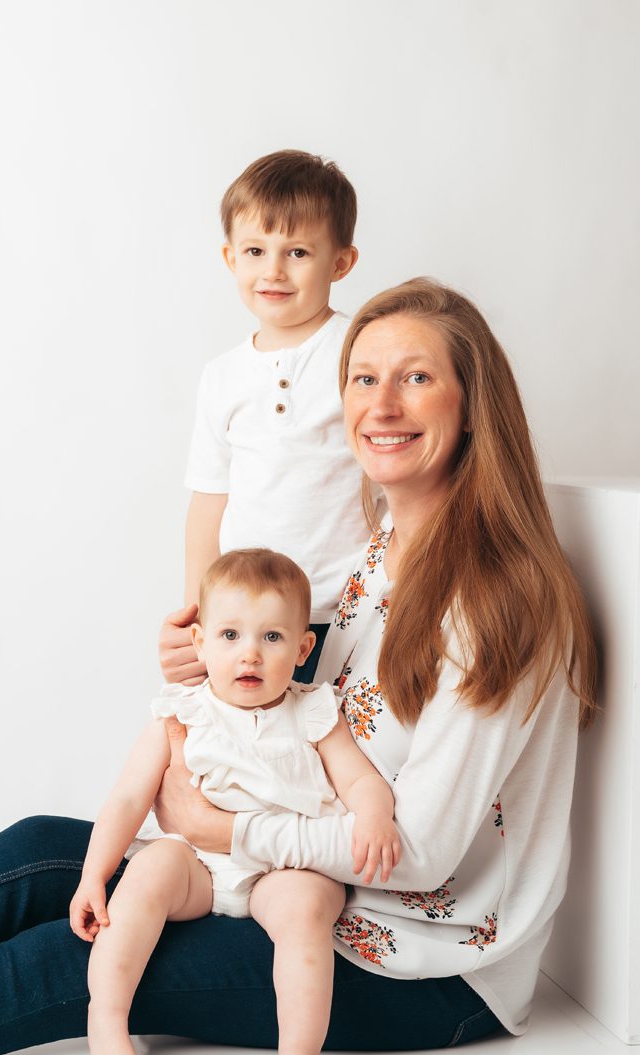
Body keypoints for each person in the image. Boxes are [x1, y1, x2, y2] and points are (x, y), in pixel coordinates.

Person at [0, 279, 596, 1055]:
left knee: (60, 964)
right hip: (301, 888)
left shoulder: (495, 600)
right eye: (362, 379)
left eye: (415, 378)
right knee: (37, 855)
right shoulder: (387, 551)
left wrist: (217, 829)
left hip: (420, 965)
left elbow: (423, 853)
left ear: (473, 404)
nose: (381, 405)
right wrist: (216, 665)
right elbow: (305, 701)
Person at [71, 547, 399, 1055]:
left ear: (302, 650)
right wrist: (96, 872)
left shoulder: (315, 712)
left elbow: (358, 779)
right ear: (199, 645)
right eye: (230, 634)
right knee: (146, 876)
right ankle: (108, 1019)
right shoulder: (181, 713)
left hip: (281, 868)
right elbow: (128, 798)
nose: (249, 652)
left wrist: (374, 816)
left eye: (272, 637)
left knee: (305, 914)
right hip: (201, 864)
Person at [182, 149, 364, 685]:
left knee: (339, 752)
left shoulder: (358, 352)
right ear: (230, 258)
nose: (274, 271)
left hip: (348, 610)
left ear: (340, 262)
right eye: (256, 250)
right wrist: (200, 612)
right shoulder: (222, 376)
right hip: (250, 627)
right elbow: (209, 502)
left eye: (298, 252)